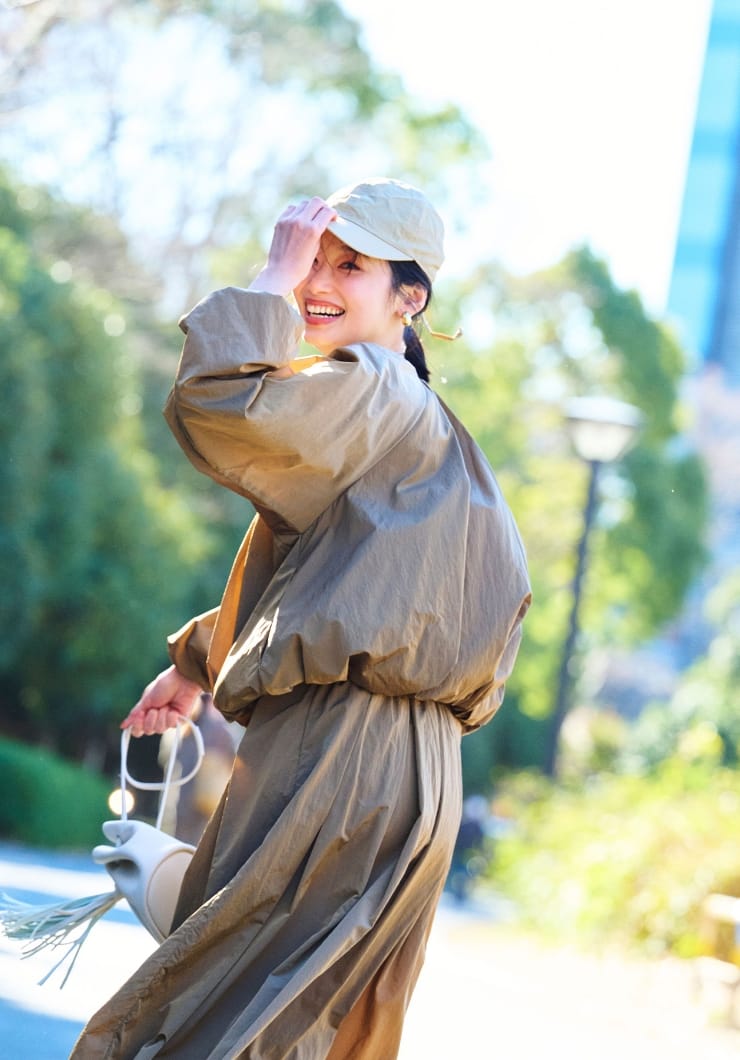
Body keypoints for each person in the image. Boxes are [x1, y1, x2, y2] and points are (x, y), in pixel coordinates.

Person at [70, 177, 531, 1059]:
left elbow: (213, 404)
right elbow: (351, 583)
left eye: (346, 265)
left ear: (409, 297)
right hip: (413, 778)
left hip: (342, 759)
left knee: (223, 1025)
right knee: (313, 1029)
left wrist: (269, 282)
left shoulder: (369, 388)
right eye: (311, 258)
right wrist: (198, 660)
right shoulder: (425, 427)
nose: (317, 279)